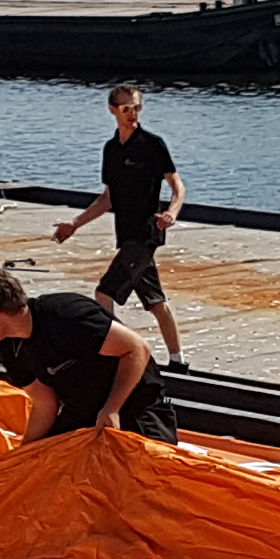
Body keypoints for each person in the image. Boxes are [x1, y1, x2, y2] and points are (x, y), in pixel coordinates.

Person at [0, 264, 179, 444]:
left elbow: (137, 348)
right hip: (84, 409)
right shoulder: (11, 348)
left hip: (134, 402)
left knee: (147, 474)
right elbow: (45, 405)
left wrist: (112, 409)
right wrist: (24, 454)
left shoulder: (67, 315)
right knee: (47, 466)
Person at [51, 82, 190, 368]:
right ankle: (178, 362)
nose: (133, 114)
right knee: (155, 302)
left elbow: (177, 185)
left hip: (145, 235)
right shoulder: (111, 150)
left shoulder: (152, 145)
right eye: (126, 108)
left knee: (104, 294)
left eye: (137, 107)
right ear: (113, 110)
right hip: (126, 236)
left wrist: (172, 212)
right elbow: (107, 199)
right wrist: (74, 224)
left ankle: (121, 356)